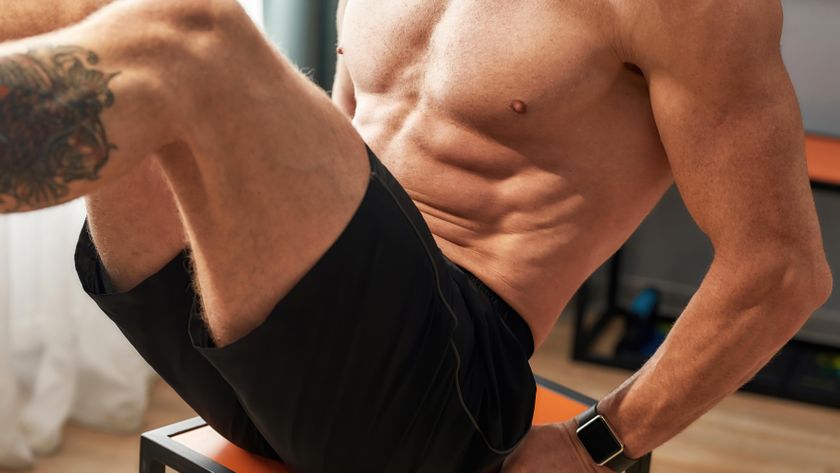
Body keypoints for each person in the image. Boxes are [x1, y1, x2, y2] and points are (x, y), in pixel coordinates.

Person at [0, 0, 831, 471]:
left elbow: (781, 266)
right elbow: (339, 152)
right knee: (98, 9)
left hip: (436, 390)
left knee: (196, 37)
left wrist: (601, 442)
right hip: (263, 352)